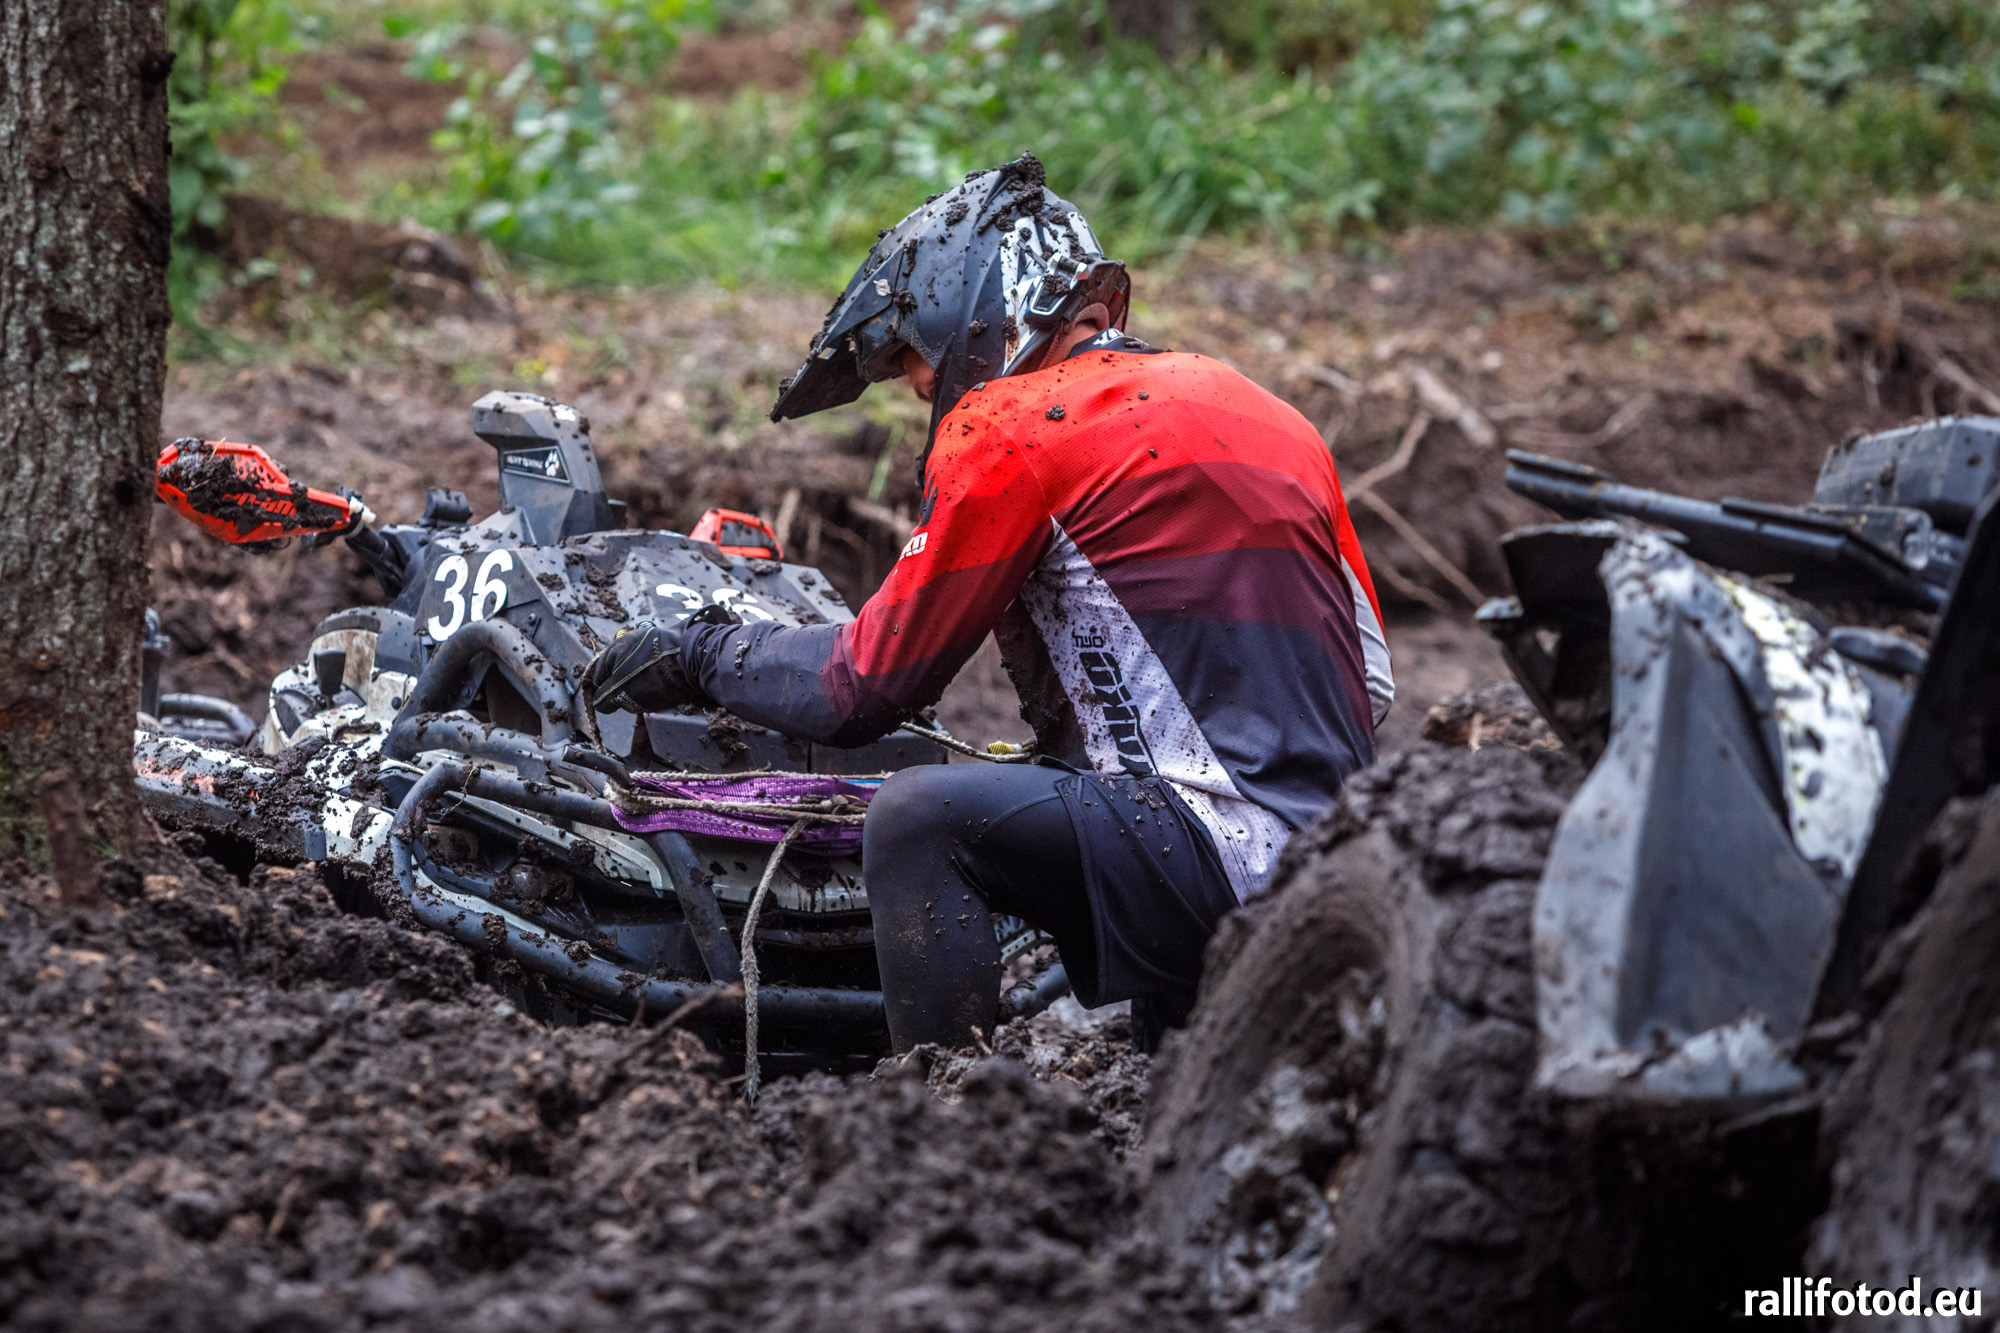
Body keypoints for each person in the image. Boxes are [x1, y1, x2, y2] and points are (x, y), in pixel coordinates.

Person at [589, 154, 1393, 1053]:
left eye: (919, 372)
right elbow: (1373, 679)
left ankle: (943, 1114)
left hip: (1221, 857)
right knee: (1170, 1081)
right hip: (1343, 862)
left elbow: (863, 686)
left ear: (970, 319)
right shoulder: (1269, 412)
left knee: (916, 819)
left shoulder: (1014, 424)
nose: (926, 395)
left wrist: (698, 653)